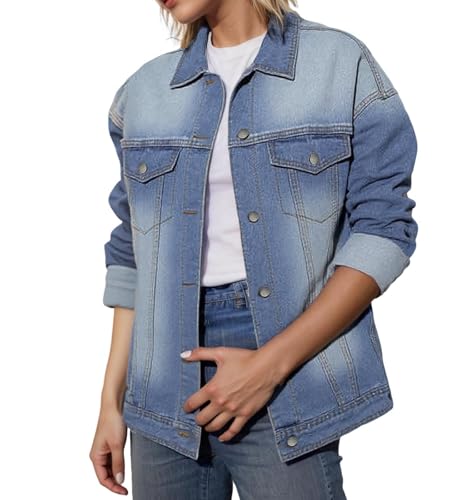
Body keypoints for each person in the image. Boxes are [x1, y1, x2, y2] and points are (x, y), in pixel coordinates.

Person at [89, 0, 418, 498]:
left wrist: (268, 368)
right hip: (160, 383)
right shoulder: (143, 92)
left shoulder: (339, 64)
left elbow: (384, 229)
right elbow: (132, 255)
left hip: (290, 368)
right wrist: (111, 403)